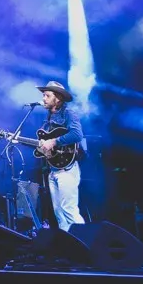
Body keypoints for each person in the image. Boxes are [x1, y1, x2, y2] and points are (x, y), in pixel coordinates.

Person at [35, 81, 85, 231]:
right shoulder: (47, 119)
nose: (43, 98)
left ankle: (86, 241)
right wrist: (44, 148)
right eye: (43, 95)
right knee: (59, 215)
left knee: (69, 211)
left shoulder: (68, 114)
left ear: (58, 98)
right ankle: (68, 243)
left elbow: (77, 135)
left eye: (47, 95)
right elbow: (48, 147)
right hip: (53, 170)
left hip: (67, 170)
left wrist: (54, 141)